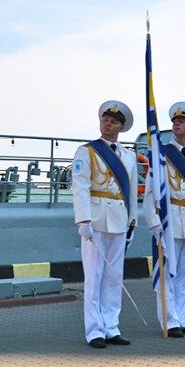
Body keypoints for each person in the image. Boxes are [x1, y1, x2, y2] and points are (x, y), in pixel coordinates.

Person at [72, 101, 138, 349]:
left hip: (120, 221)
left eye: (112, 121)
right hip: (96, 220)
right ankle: (95, 331)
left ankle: (112, 326)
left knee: (113, 277)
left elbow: (131, 193)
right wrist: (83, 220)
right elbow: (80, 187)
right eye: (104, 120)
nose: (106, 124)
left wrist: (132, 222)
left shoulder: (129, 156)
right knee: (94, 277)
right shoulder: (87, 151)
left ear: (121, 126)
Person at [145, 102, 185, 338]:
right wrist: (154, 222)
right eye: (174, 121)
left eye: (182, 121)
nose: (176, 124)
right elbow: (151, 192)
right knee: (167, 272)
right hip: (169, 220)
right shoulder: (160, 153)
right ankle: (170, 320)